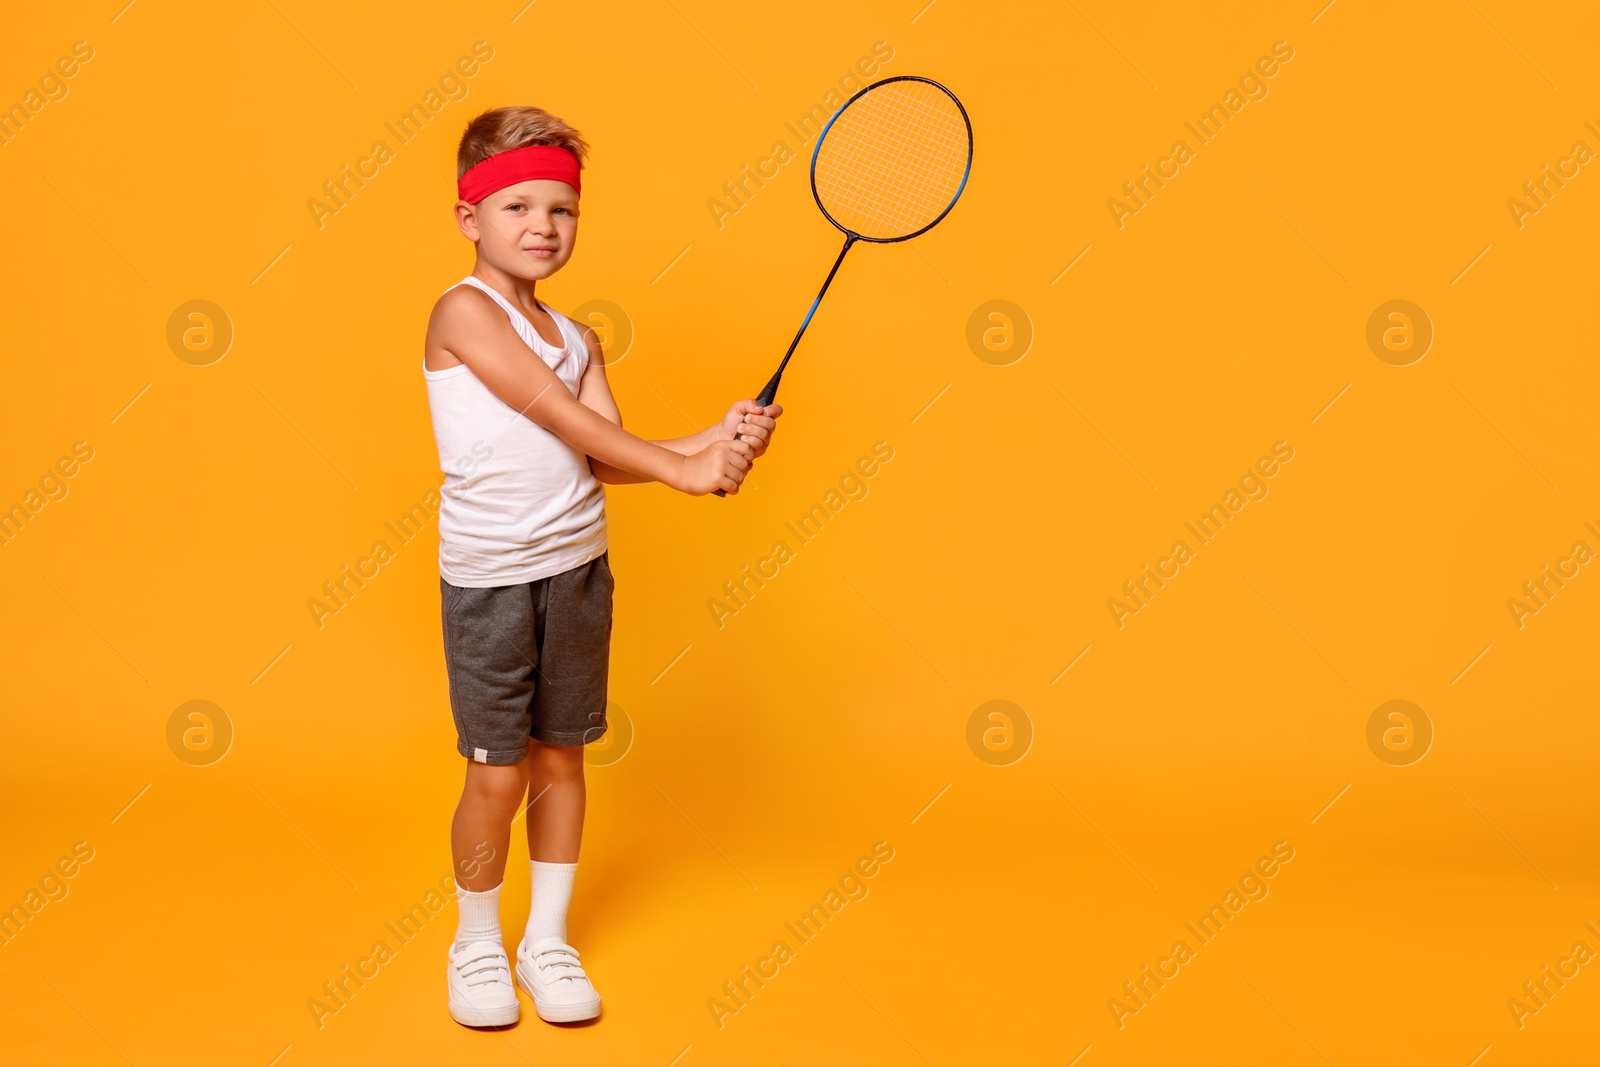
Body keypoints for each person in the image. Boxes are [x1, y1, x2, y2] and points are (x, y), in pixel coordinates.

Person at [422, 105, 782, 1027]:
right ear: (470, 218)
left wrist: (710, 443)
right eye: (516, 208)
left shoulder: (580, 336)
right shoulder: (462, 312)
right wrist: (680, 462)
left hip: (577, 570)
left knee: (561, 761)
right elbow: (549, 410)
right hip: (493, 580)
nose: (542, 226)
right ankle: (474, 942)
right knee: (496, 775)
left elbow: (603, 454)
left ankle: (546, 939)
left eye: (562, 210)